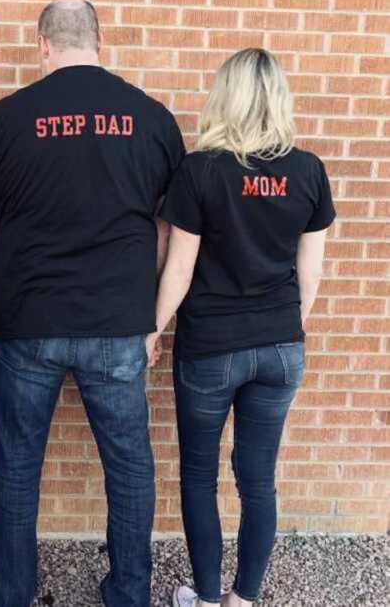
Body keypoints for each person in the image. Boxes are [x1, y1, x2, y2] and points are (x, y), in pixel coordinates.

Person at [0, 0, 186, 607]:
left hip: (31, 321)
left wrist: (20, 263)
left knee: (18, 464)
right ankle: (129, 594)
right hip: (118, 324)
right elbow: (169, 230)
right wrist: (144, 303)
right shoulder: (151, 119)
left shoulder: (5, 118)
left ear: (43, 46)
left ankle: (9, 593)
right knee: (130, 465)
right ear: (100, 41)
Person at [147, 48, 335, 607]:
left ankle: (206, 598)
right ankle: (242, 600)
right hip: (281, 349)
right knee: (258, 481)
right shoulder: (308, 170)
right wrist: (283, 328)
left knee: (200, 476)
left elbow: (178, 269)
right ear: (278, 97)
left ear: (223, 97)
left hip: (210, 349)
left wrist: (153, 330)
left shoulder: (202, 170)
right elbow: (312, 271)